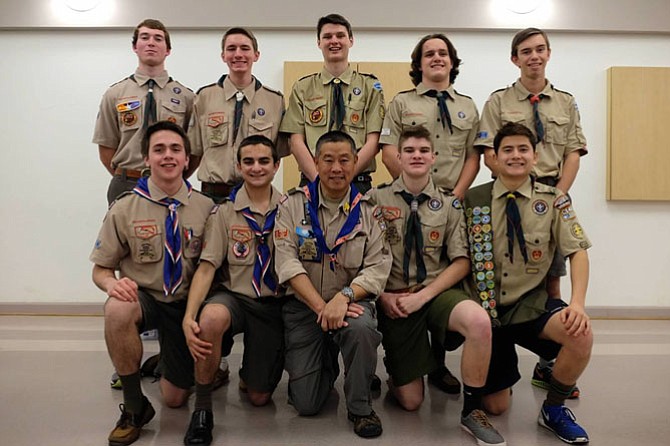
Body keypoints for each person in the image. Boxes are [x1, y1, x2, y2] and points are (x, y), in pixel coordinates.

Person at [371, 126, 505, 446]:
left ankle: (472, 412)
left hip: (436, 292)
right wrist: (382, 296)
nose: (417, 156)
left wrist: (426, 296)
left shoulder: (449, 204)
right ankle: (401, 370)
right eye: (410, 151)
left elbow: (462, 261)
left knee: (478, 322)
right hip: (395, 297)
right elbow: (362, 258)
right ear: (398, 157)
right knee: (411, 401)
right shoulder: (375, 198)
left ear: (434, 157)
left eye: (423, 151)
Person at [475, 28, 588, 395]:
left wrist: (555, 195)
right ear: (515, 59)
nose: (534, 56)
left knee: (549, 278)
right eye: (526, 51)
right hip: (508, 193)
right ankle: (495, 341)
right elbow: (488, 151)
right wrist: (512, 181)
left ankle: (547, 362)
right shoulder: (499, 101)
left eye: (540, 49)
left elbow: (573, 151)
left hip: (549, 194)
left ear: (548, 54)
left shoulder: (565, 102)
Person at [465, 122, 593, 445]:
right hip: (487, 312)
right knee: (495, 407)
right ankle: (495, 375)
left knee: (581, 335)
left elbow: (577, 252)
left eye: (523, 149)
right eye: (507, 149)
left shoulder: (554, 200)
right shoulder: (473, 199)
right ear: (493, 158)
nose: (516, 156)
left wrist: (577, 303)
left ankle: (553, 408)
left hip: (529, 305)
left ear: (535, 156)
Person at [90, 121, 214, 446]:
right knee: (116, 309)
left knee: (174, 398)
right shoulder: (125, 207)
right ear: (146, 158)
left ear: (188, 159)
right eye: (158, 150)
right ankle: (134, 406)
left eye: (175, 150)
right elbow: (101, 269)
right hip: (146, 299)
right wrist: (110, 285)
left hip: (187, 307)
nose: (167, 156)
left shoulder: (207, 209)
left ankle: (169, 362)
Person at [379, 32, 480, 394]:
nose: (436, 58)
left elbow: (473, 155)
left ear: (452, 62)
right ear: (418, 63)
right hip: (406, 197)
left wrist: (453, 196)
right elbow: (389, 148)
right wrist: (410, 190)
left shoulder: (468, 106)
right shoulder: (401, 103)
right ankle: (404, 358)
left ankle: (438, 363)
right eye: (428, 54)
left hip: (451, 202)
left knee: (443, 269)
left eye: (443, 53)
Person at [273, 130, 392, 438]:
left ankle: (360, 406)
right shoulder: (292, 205)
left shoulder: (369, 211)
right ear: (315, 162)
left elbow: (378, 267)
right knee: (307, 403)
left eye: (344, 160)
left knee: (362, 328)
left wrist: (345, 297)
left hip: (350, 304)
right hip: (305, 308)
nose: (336, 168)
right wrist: (322, 307)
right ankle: (329, 360)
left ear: (356, 163)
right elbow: (286, 262)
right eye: (328, 160)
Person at [181, 135, 285, 446]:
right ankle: (202, 410)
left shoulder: (292, 209)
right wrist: (190, 316)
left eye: (264, 160)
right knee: (211, 318)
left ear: (277, 165)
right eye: (249, 162)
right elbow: (207, 267)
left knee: (259, 397)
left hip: (271, 305)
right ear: (238, 167)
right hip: (234, 298)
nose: (256, 167)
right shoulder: (224, 213)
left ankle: (249, 374)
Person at [93, 19, 195, 205]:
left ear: (168, 50)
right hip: (126, 183)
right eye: (145, 37)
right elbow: (106, 146)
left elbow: (194, 148)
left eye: (158, 38)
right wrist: (127, 174)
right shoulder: (115, 94)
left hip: (170, 184)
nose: (151, 42)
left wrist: (173, 174)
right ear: (135, 46)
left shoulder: (186, 97)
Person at [280, 13, 385, 193]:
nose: (334, 41)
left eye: (340, 36)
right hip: (313, 181)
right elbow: (296, 142)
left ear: (351, 40)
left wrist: (345, 176)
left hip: (357, 182)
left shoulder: (370, 87)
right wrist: (321, 180)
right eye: (327, 37)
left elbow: (374, 141)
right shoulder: (303, 88)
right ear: (319, 43)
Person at [189, 27, 286, 203]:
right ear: (223, 55)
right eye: (231, 49)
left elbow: (276, 153)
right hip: (212, 196)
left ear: (256, 55)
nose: (238, 54)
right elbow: (195, 151)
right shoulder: (204, 97)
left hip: (256, 195)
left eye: (245, 48)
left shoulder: (275, 101)